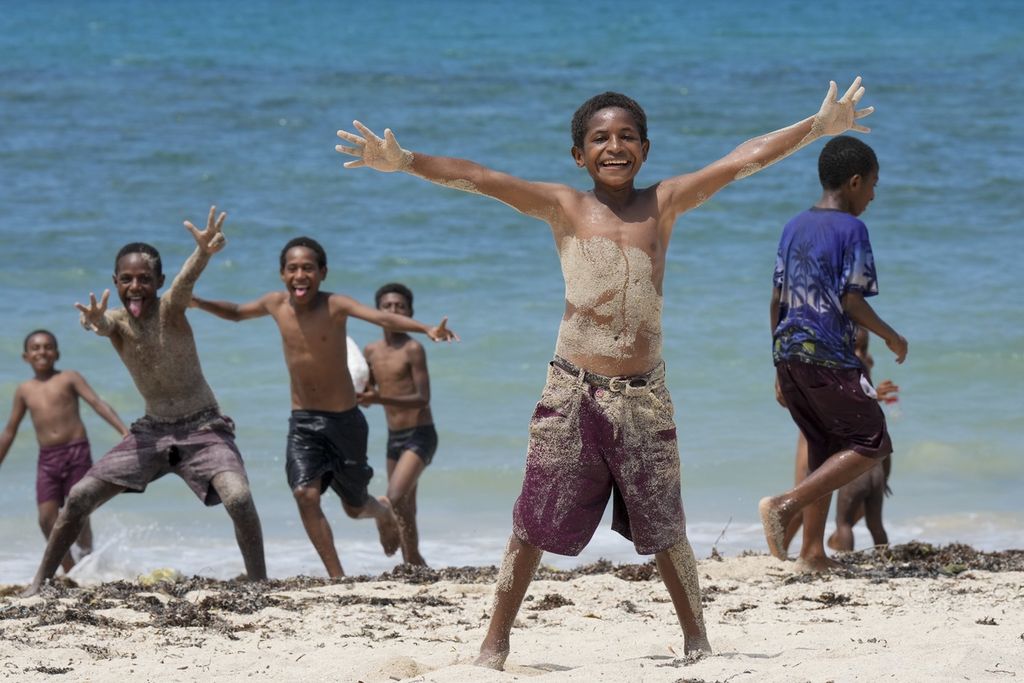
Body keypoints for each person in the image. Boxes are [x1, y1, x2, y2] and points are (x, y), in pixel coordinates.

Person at [336, 77, 874, 667]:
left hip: (644, 395)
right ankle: (495, 642)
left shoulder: (663, 202)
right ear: (578, 154)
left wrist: (816, 127)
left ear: (645, 149)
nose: (613, 147)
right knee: (533, 518)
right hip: (572, 390)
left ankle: (697, 639)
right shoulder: (564, 206)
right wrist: (406, 161)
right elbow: (483, 178)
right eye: (599, 138)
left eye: (626, 137)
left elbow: (740, 160)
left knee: (666, 522)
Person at [22, 207, 267, 596]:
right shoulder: (117, 322)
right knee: (79, 497)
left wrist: (202, 252)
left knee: (238, 498)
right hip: (152, 432)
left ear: (159, 281)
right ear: (115, 282)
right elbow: (101, 326)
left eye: (144, 279)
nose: (135, 286)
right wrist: (93, 321)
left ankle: (258, 584)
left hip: (203, 427)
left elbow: (186, 282)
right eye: (126, 279)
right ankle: (40, 582)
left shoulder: (171, 307)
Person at [190, 237, 457, 578]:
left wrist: (426, 328)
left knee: (355, 507)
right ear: (282, 274)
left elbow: (379, 317)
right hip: (303, 422)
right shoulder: (275, 304)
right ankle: (337, 577)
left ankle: (383, 514)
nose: (300, 274)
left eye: (308, 268)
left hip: (345, 422)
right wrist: (197, 302)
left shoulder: (336, 305)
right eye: (292, 268)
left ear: (322, 273)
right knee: (304, 493)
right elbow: (239, 313)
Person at [761, 135, 908, 573]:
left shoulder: (793, 226)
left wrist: (776, 364)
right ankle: (785, 505)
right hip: (827, 353)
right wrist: (891, 337)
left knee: (824, 449)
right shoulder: (853, 229)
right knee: (873, 441)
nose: (874, 196)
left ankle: (811, 552)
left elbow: (775, 298)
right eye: (873, 186)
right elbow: (851, 302)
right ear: (855, 181)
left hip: (788, 353)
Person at [0, 330, 129, 573]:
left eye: (48, 347)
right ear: (25, 356)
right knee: (46, 518)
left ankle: (88, 559)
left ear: (57, 353)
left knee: (78, 509)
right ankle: (70, 569)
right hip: (47, 459)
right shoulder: (24, 390)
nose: (42, 352)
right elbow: (9, 431)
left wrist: (123, 430)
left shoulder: (69, 378)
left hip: (76, 452)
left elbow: (97, 403)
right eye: (36, 348)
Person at [779, 327, 899, 553]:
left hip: (837, 431)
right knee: (805, 496)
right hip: (815, 431)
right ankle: (783, 549)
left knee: (816, 497)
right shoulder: (831, 356)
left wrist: (873, 394)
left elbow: (856, 397)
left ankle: (820, 545)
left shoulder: (856, 358)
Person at [359, 283, 438, 566]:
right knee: (405, 505)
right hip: (394, 438)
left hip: (420, 434)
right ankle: (412, 561)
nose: (393, 311)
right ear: (377, 312)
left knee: (393, 497)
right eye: (387, 306)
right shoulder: (370, 351)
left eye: (400, 307)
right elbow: (367, 397)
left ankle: (411, 554)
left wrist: (377, 398)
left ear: (409, 313)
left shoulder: (412, 348)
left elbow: (422, 398)